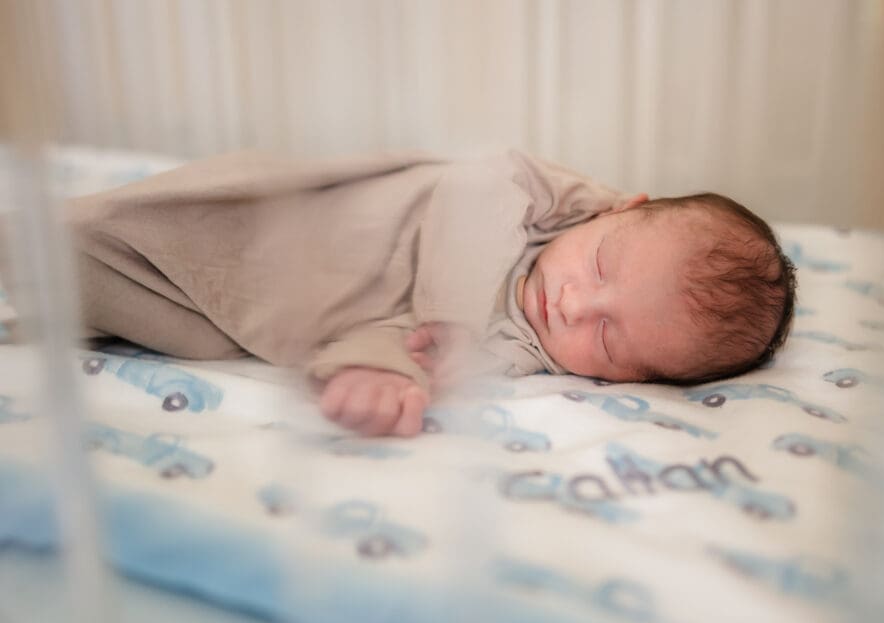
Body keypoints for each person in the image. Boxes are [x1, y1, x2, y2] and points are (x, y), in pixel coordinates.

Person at [0, 149, 795, 436]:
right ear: (627, 208)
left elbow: (403, 339)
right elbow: (473, 183)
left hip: (262, 314)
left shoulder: (519, 356)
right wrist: (448, 317)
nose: (577, 307)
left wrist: (383, 378)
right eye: (603, 268)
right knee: (106, 235)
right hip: (304, 230)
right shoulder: (552, 197)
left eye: (611, 340)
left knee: (133, 310)